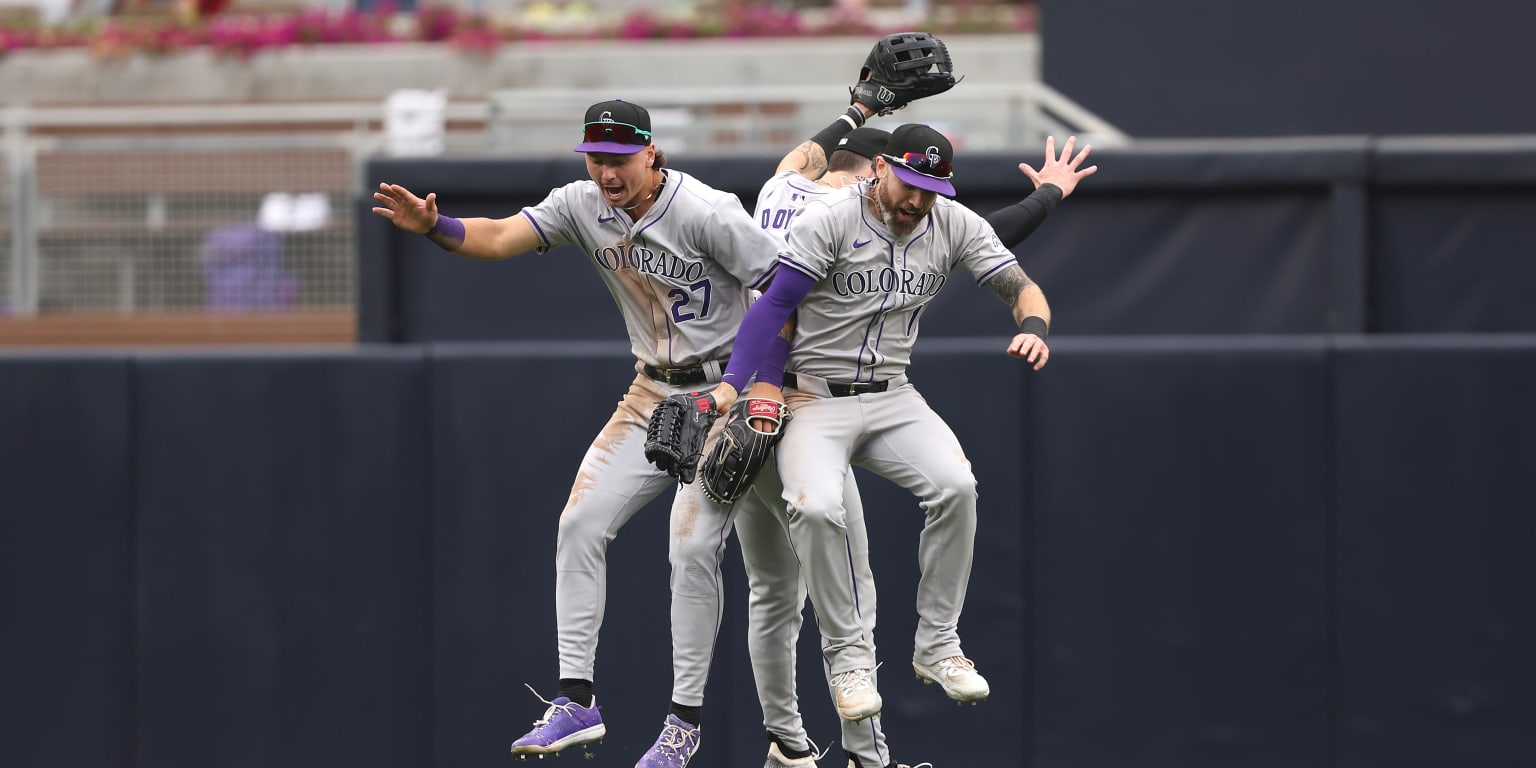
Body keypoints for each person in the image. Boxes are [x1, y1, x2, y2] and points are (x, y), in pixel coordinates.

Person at [371, 98, 784, 768]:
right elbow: (501, 237)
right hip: (651, 389)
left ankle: (683, 724)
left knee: (691, 551)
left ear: (651, 153)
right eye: (596, 158)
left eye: (619, 159)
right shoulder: (579, 203)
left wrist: (752, 387)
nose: (606, 172)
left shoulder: (708, 210)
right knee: (580, 524)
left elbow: (782, 294)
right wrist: (433, 226)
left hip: (724, 391)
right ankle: (575, 702)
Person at [736, 103, 1095, 768]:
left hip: (893, 397)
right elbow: (774, 306)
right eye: (910, 186)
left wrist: (1035, 324)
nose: (918, 203)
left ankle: (938, 645)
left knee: (957, 485)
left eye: (933, 192)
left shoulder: (944, 219)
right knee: (813, 513)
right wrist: (747, 382)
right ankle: (842, 675)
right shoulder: (825, 216)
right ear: (878, 169)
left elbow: (1019, 280)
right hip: (810, 396)